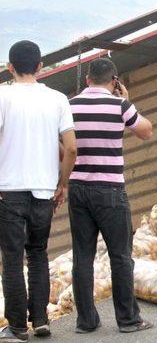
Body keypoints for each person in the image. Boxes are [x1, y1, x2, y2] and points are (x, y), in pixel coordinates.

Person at [68, 58, 153, 334]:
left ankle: (86, 321)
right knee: (120, 256)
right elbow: (145, 131)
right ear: (114, 81)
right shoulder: (119, 105)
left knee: (82, 256)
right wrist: (128, 101)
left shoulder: (69, 106)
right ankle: (128, 320)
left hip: (78, 188)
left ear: (87, 80)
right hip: (110, 191)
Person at [0, 40, 77, 342]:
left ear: (9, 67)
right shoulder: (57, 99)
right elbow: (71, 147)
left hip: (9, 192)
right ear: (40, 67)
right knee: (38, 255)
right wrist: (62, 183)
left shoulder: (2, 96)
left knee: (11, 259)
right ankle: (41, 320)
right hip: (44, 191)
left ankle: (17, 327)